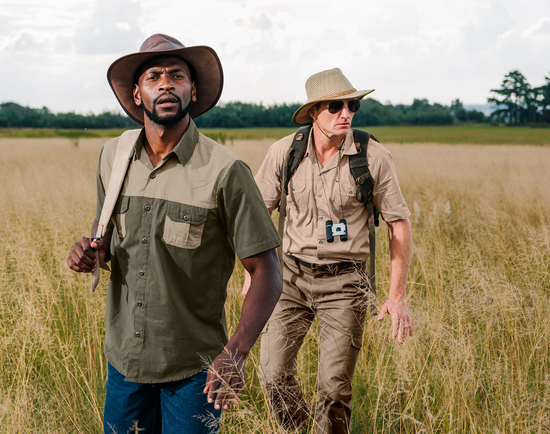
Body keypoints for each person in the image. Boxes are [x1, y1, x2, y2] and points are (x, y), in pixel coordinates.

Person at [66, 34, 283, 433]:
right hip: (125, 364)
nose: (166, 84)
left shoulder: (225, 170)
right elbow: (107, 238)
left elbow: (267, 270)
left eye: (176, 75)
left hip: (194, 370)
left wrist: (236, 352)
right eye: (153, 76)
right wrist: (89, 252)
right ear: (137, 94)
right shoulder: (113, 157)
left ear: (193, 89)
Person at [251, 68, 414, 433]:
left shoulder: (372, 156)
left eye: (352, 104)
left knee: (333, 388)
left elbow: (398, 224)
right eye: (335, 106)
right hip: (288, 280)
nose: (346, 113)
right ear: (313, 112)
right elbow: (256, 216)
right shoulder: (284, 152)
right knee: (271, 373)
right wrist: (254, 274)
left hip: (345, 284)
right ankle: (295, 429)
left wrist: (396, 295)